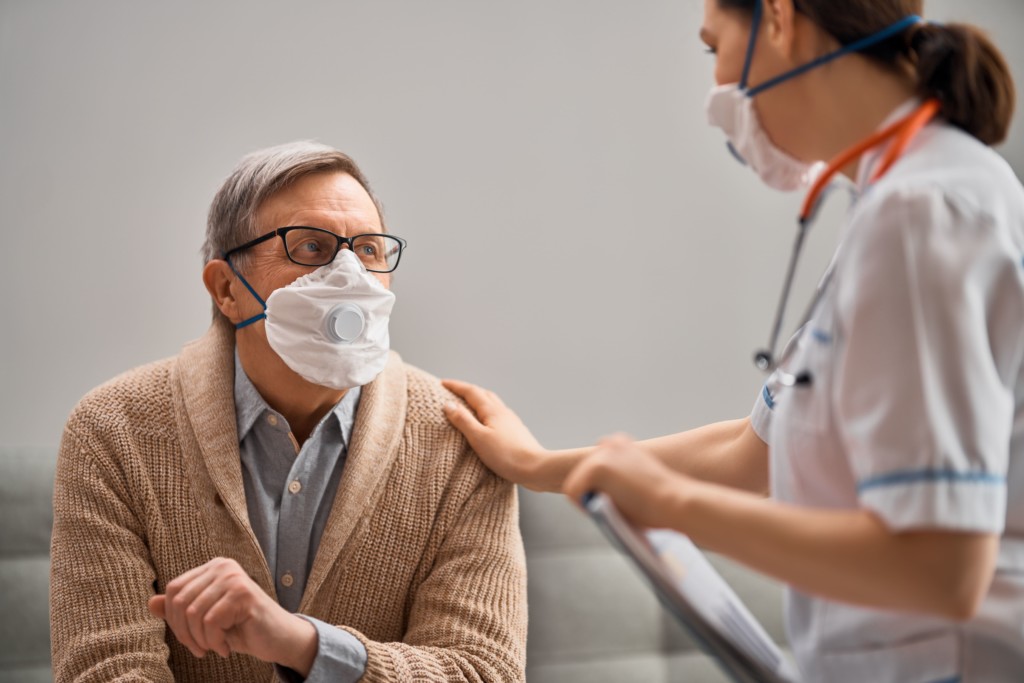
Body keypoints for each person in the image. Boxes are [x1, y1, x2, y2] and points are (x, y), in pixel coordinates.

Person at [443, 1, 1023, 681]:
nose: (718, 88)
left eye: (713, 47)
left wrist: (669, 503)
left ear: (778, 18)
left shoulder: (922, 210)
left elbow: (939, 569)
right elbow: (757, 452)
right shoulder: (900, 200)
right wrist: (537, 465)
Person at [50, 141, 527, 682]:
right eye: (310, 247)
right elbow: (105, 673)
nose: (350, 275)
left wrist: (303, 644)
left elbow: (483, 672)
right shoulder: (114, 432)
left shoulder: (462, 439)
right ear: (228, 289)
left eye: (368, 250)